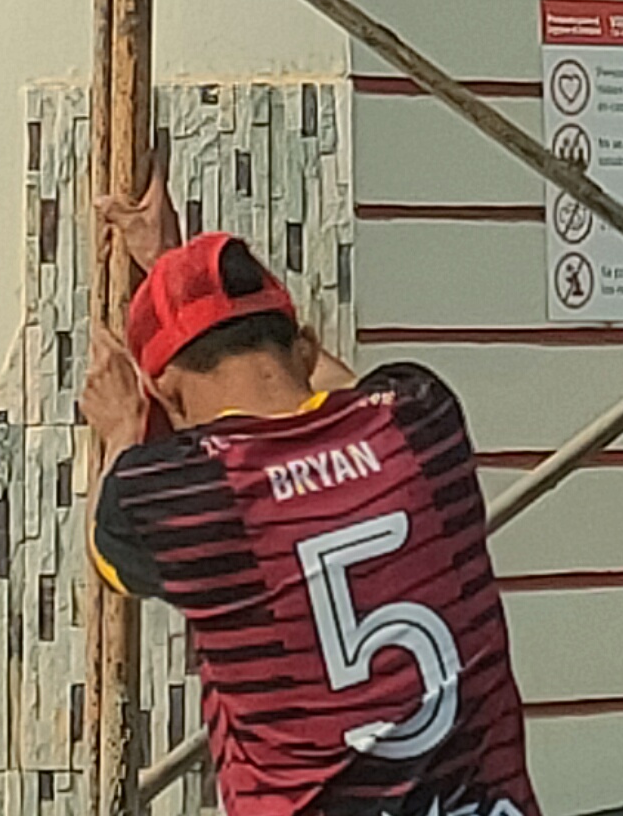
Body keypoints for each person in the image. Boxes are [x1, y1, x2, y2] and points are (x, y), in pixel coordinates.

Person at [84, 180, 537, 816]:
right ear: (302, 346)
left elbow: (107, 550)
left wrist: (121, 429)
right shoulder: (421, 418)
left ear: (164, 392)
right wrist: (176, 273)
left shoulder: (181, 497)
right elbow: (335, 391)